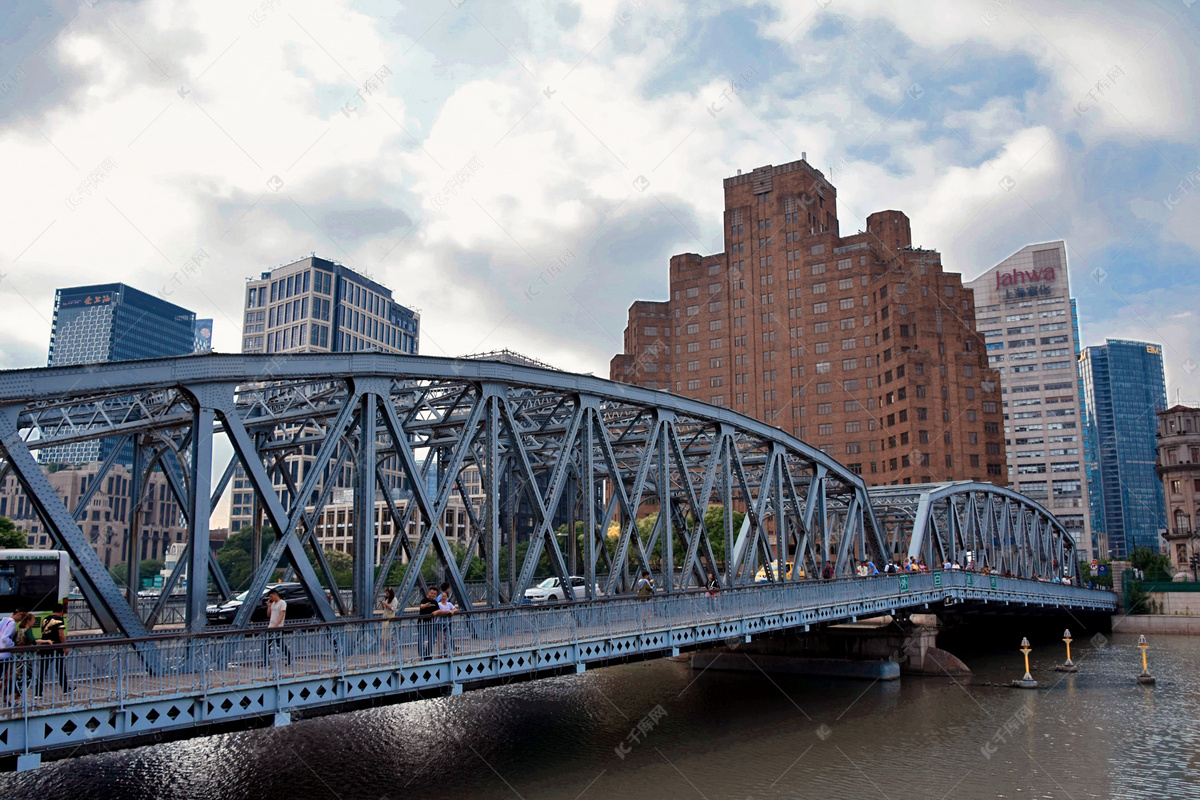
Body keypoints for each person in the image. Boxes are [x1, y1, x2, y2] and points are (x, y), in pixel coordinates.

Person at [36, 604, 70, 695]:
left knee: (43, 669)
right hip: (56, 646)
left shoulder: (45, 619)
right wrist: (65, 647)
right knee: (60, 668)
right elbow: (61, 635)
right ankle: (65, 688)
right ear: (61, 611)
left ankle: (38, 692)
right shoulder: (59, 619)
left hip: (45, 646)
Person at [265, 588, 292, 667]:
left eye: (271, 596)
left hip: (278, 627)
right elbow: (268, 615)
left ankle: (290, 658)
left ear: (275, 595)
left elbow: (281, 615)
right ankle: (266, 662)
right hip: (270, 627)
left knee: (280, 644)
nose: (270, 598)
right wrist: (269, 606)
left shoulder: (282, 603)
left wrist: (275, 627)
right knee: (267, 645)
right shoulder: (273, 604)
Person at [435, 582, 457, 656]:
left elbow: (454, 608)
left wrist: (452, 611)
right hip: (441, 621)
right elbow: (438, 609)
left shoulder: (444, 600)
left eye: (444, 596)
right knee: (441, 637)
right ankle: (442, 651)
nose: (443, 597)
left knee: (445, 636)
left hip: (446, 622)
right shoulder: (440, 601)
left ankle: (445, 651)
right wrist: (449, 611)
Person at [418, 587, 439, 659]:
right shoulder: (424, 600)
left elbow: (439, 609)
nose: (433, 595)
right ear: (428, 592)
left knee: (432, 639)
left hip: (431, 623)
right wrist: (425, 605)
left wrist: (436, 612)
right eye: (432, 593)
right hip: (422, 623)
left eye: (434, 594)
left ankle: (427, 654)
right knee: (421, 639)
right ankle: (422, 655)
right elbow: (421, 606)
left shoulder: (435, 602)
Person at [380, 587, 399, 652]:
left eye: (387, 593)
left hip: (390, 617)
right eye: (386, 593)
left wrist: (386, 604)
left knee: (388, 633)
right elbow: (384, 609)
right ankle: (391, 647)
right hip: (385, 617)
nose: (386, 594)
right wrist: (383, 605)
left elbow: (393, 609)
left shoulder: (394, 599)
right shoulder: (386, 598)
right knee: (386, 633)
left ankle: (386, 649)